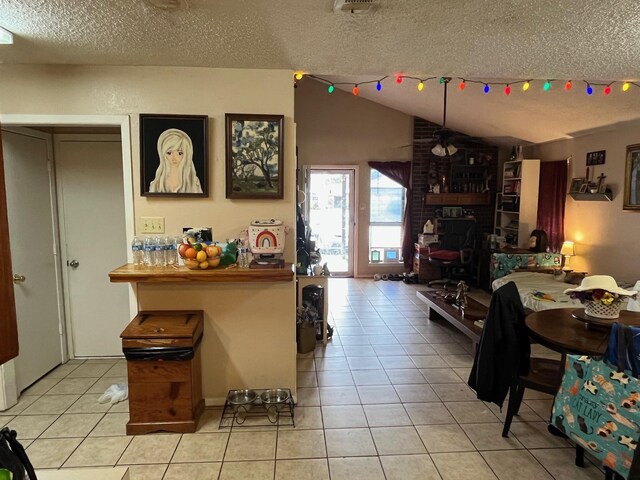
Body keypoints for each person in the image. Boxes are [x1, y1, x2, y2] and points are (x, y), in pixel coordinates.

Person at [149, 128, 203, 194]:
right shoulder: (157, 183)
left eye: (180, 153)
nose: (174, 158)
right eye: (169, 153)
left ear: (186, 154)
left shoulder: (193, 181)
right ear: (162, 154)